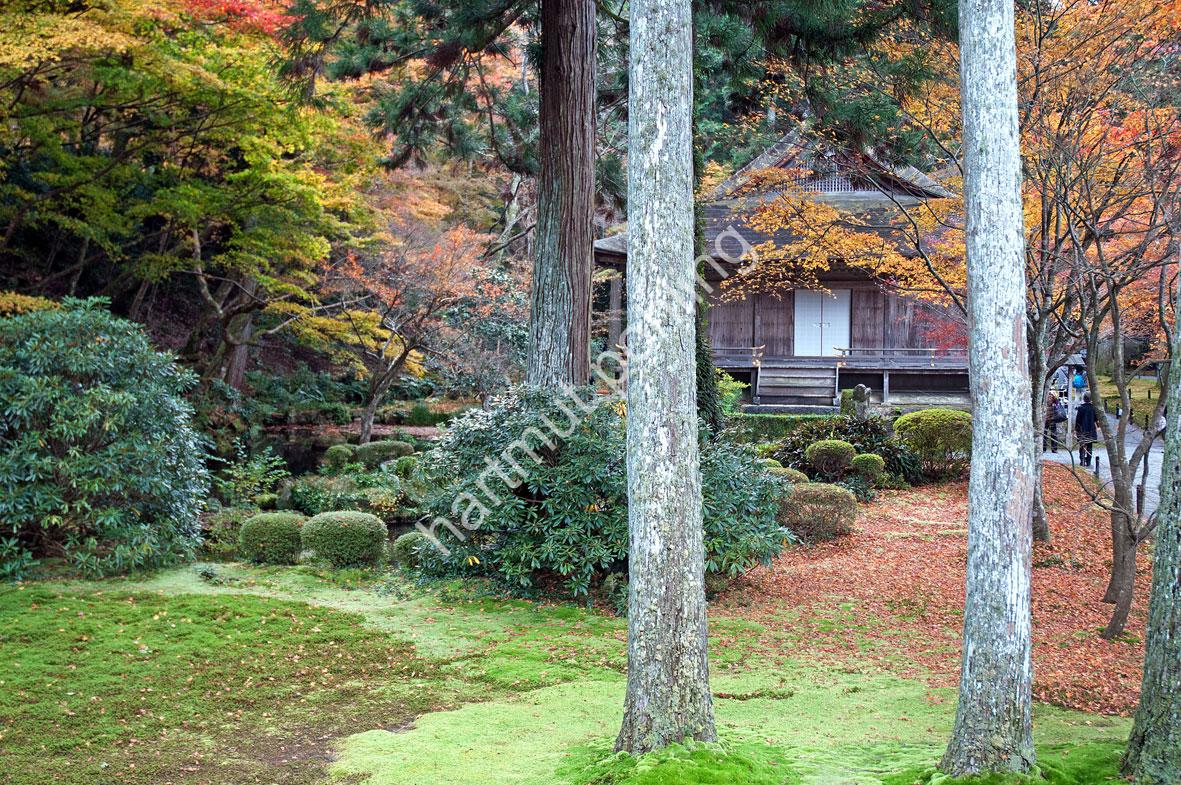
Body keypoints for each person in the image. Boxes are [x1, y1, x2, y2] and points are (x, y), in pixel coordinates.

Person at [1074, 393, 1099, 467]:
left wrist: (1076, 429)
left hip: (1082, 429)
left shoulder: (1081, 408)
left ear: (1084, 399)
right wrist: (1098, 426)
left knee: (1082, 445)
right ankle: (1088, 462)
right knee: (1089, 445)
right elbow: (1096, 419)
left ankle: (1082, 461)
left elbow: (1078, 420)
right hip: (1091, 429)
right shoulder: (1094, 408)